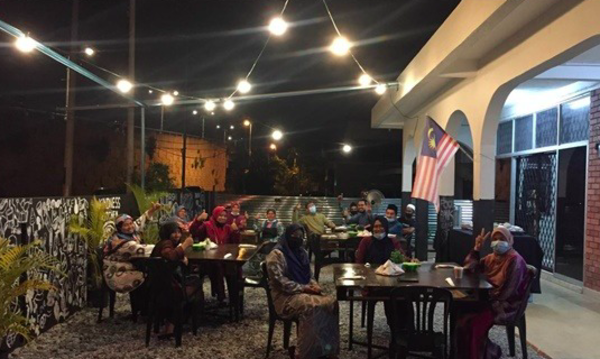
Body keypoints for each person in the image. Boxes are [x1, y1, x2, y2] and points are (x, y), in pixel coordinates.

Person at [266, 224, 340, 359]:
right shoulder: (276, 254)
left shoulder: (302, 252)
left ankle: (326, 349)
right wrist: (303, 288)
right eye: (294, 236)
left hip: (304, 291)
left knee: (331, 303)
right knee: (310, 306)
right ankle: (303, 353)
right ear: (287, 236)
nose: (298, 239)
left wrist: (314, 285)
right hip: (285, 297)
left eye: (301, 236)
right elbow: (279, 282)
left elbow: (309, 275)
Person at [455, 227, 530, 359]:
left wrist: (483, 301)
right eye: (494, 239)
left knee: (474, 323)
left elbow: (508, 292)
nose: (498, 242)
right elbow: (470, 269)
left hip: (505, 306)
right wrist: (476, 249)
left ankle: (486, 353)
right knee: (461, 318)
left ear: (510, 241)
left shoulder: (515, 260)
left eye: (502, 239)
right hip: (490, 301)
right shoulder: (491, 258)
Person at [151, 221, 203, 339]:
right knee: (196, 282)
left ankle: (179, 320)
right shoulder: (166, 243)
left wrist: (181, 258)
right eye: (173, 232)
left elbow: (170, 261)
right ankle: (190, 319)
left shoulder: (163, 243)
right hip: (166, 289)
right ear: (167, 233)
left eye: (178, 233)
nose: (177, 235)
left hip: (158, 287)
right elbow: (170, 255)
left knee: (192, 282)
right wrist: (184, 245)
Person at [102, 202, 161, 293]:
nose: (130, 227)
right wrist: (166, 247)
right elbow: (142, 249)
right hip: (116, 273)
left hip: (128, 267)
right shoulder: (119, 241)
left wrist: (152, 210)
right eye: (126, 225)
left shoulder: (130, 233)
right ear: (119, 227)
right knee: (150, 276)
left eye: (130, 223)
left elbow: (140, 221)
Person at [189, 206, 240, 303]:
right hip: (208, 260)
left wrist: (236, 231)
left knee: (235, 268)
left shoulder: (228, 227)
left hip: (225, 259)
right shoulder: (207, 225)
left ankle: (235, 299)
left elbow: (235, 243)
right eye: (220, 215)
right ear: (215, 215)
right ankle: (221, 296)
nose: (223, 218)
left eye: (225, 216)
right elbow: (193, 232)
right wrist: (198, 220)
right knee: (217, 266)